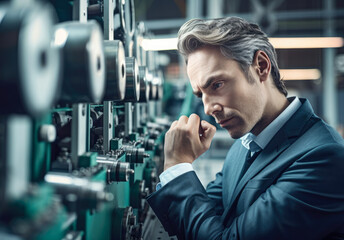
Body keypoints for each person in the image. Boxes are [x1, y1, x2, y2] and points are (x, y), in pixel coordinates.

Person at [146, 17, 344, 240]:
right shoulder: (244, 146)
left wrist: (178, 165)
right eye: (201, 94)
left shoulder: (324, 157)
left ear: (261, 66)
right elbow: (203, 222)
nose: (209, 108)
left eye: (217, 85)